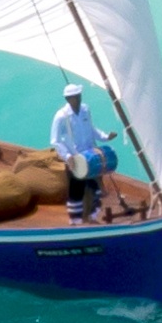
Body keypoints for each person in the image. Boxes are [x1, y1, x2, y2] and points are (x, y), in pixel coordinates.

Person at [50, 84, 118, 226]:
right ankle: (75, 221)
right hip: (75, 159)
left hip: (89, 157)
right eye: (75, 97)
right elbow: (55, 141)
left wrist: (105, 137)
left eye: (79, 95)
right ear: (68, 99)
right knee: (76, 191)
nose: (79, 99)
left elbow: (91, 129)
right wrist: (67, 156)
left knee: (93, 188)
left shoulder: (85, 110)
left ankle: (90, 217)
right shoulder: (61, 117)